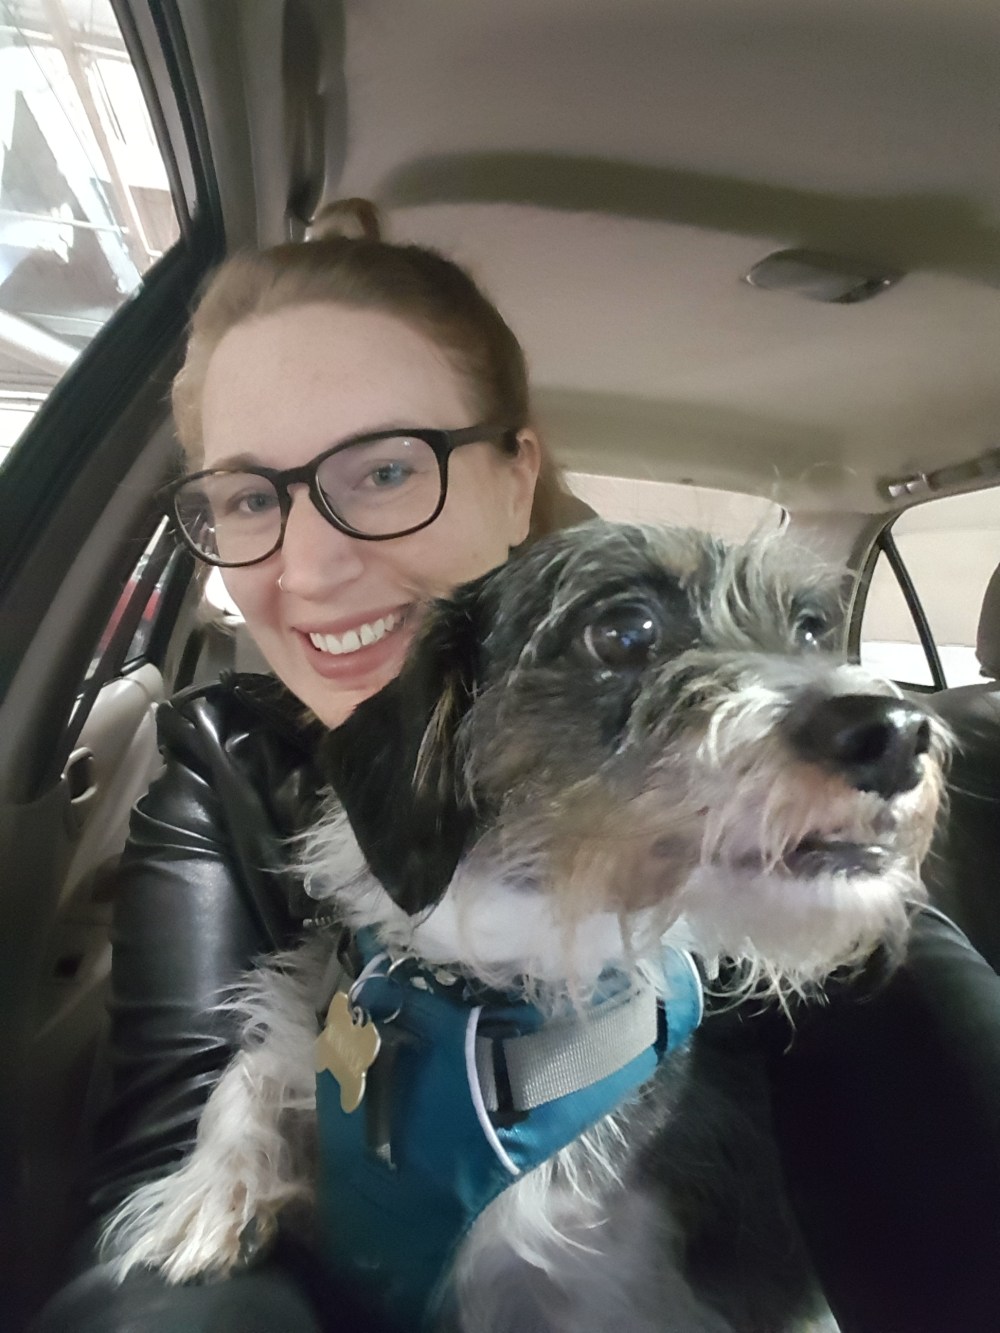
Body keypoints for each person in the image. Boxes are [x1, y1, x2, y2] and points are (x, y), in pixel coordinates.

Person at [32, 201, 1000, 1333]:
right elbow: (172, 1208)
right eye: (251, 497)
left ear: (512, 473)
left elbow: (927, 1055)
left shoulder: (770, 853)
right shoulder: (218, 764)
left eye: (385, 470)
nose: (312, 562)